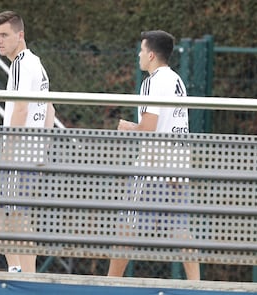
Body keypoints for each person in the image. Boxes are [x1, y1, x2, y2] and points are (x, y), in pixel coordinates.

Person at [107, 30, 200, 280]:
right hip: (178, 164)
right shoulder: (176, 80)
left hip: (152, 165)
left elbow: (149, 127)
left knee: (126, 228)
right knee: (181, 229)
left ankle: (110, 284)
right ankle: (196, 285)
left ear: (150, 54)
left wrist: (129, 127)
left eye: (141, 49)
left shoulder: (152, 81)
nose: (139, 54)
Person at [0, 10, 55, 273]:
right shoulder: (37, 64)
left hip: (19, 153)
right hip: (32, 152)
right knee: (20, 216)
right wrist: (43, 149)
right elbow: (50, 110)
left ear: (21, 35)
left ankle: (17, 269)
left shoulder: (20, 64)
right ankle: (27, 274)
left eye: (4, 34)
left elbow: (20, 109)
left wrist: (8, 150)